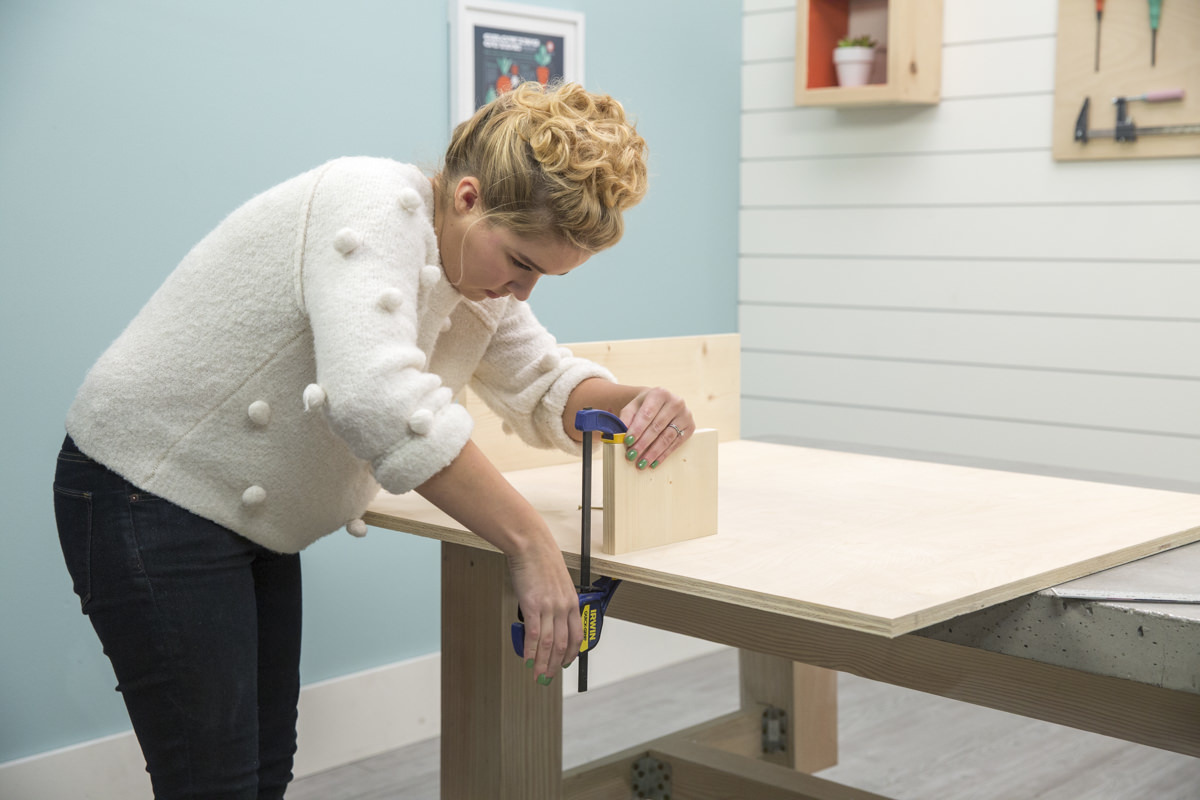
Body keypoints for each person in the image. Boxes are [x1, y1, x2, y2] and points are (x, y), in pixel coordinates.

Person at [52, 81, 694, 800]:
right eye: (522, 264)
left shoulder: (474, 273)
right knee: (215, 783)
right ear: (468, 197)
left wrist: (628, 403)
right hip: (146, 486)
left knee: (263, 772)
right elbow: (376, 398)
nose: (522, 292)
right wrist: (531, 544)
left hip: (245, 517)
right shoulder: (369, 201)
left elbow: (544, 381)